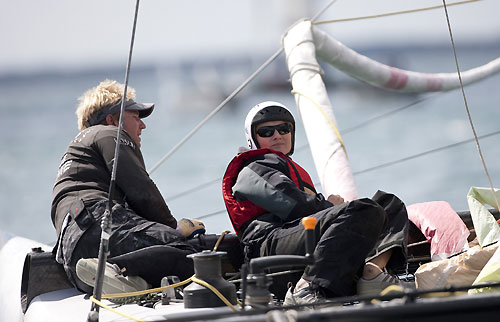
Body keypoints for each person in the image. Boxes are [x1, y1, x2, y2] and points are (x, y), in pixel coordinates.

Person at [222, 101, 412, 305]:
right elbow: (296, 206)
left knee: (389, 204)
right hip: (269, 251)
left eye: (284, 129)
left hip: (300, 238)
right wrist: (334, 208)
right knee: (363, 210)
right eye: (266, 131)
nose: (277, 135)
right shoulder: (253, 169)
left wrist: (339, 211)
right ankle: (305, 289)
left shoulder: (285, 168)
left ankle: (372, 274)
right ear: (253, 139)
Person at [51, 79, 205, 294]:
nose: (143, 125)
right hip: (99, 223)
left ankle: (128, 280)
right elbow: (142, 192)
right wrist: (174, 229)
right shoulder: (108, 132)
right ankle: (115, 269)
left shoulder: (78, 150)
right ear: (112, 119)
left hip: (72, 251)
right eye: (135, 117)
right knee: (185, 252)